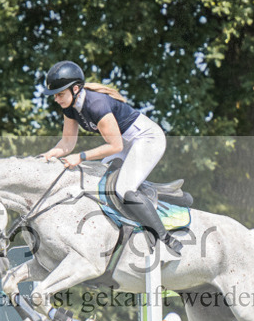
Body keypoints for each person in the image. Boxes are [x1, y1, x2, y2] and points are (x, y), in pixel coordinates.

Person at [38, 60, 182, 255]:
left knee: (123, 189)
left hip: (146, 139)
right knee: (98, 181)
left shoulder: (97, 104)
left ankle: (165, 238)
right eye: (55, 95)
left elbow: (115, 146)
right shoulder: (69, 107)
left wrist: (80, 157)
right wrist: (47, 156)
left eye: (60, 94)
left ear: (76, 89)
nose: (56, 99)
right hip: (125, 142)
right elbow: (66, 144)